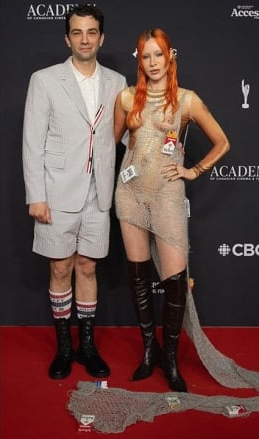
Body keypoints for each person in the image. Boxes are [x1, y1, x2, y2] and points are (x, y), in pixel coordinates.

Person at [113, 28, 229, 392]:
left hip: (168, 196)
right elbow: (113, 141)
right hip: (129, 194)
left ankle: (170, 360)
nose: (152, 63)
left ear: (169, 57)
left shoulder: (187, 100)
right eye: (146, 56)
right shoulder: (127, 96)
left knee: (175, 284)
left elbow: (222, 142)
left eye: (158, 55)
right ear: (140, 61)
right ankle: (150, 352)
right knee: (138, 277)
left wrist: (191, 170)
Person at [22, 5, 127, 380]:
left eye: (92, 32)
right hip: (56, 192)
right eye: (78, 33)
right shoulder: (45, 80)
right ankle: (64, 348)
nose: (85, 39)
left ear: (102, 38)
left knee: (87, 266)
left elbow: (125, 134)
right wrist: (37, 195)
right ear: (68, 39)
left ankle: (88, 345)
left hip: (99, 193)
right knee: (61, 266)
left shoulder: (117, 82)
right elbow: (32, 142)